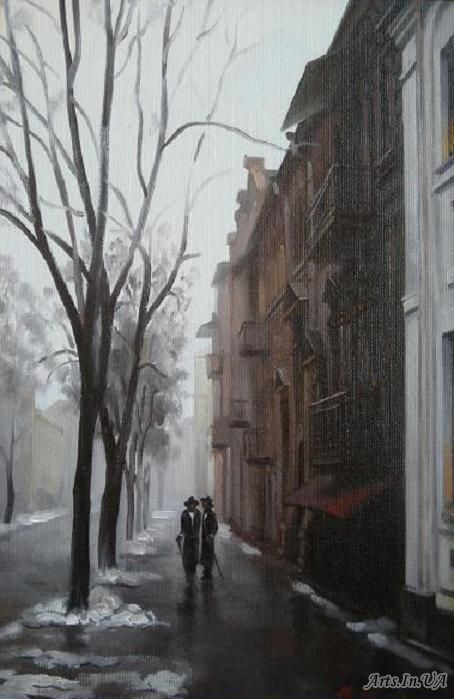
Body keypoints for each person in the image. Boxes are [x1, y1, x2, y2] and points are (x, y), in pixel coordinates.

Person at [176, 496, 201, 582]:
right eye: (190, 504)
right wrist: (180, 536)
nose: (192, 506)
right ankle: (188, 575)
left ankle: (192, 576)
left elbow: (198, 527)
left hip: (195, 540)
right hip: (187, 540)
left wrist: (196, 535)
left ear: (195, 505)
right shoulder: (184, 515)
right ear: (187, 505)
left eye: (193, 504)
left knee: (194, 559)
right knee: (186, 558)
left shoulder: (198, 514)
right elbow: (182, 528)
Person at [200, 495, 218, 580]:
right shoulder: (205, 514)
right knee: (205, 555)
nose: (203, 504)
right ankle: (206, 572)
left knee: (209, 555)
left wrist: (211, 535)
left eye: (205, 503)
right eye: (203, 503)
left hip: (209, 539)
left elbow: (216, 527)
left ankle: (208, 574)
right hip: (204, 539)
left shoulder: (211, 514)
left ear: (209, 505)